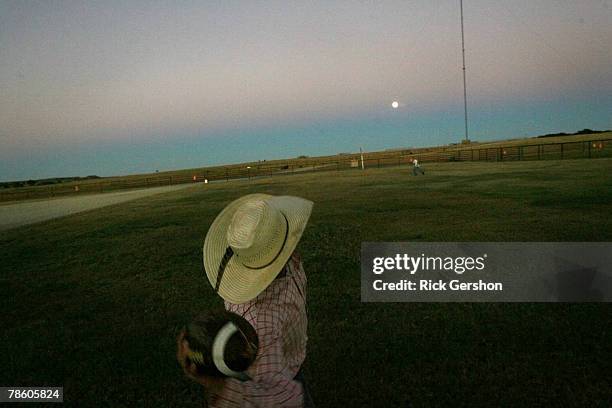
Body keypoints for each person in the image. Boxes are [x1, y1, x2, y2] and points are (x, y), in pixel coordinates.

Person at [177, 194, 314, 407]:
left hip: (286, 354)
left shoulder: (287, 259)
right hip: (269, 369)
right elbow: (280, 396)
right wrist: (220, 388)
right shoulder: (261, 321)